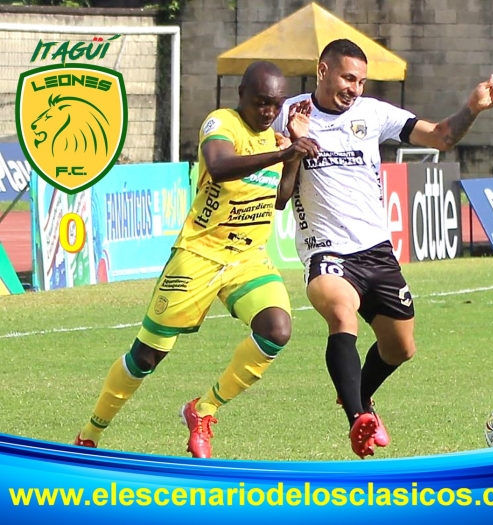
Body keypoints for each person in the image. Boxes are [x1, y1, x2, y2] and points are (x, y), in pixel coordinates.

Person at [274, 39, 493, 459]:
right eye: (348, 78)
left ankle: (360, 395)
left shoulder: (374, 113)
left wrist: (473, 107)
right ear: (322, 70)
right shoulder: (289, 113)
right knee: (342, 314)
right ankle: (357, 418)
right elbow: (278, 193)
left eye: (361, 81)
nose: (354, 89)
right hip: (325, 251)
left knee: (401, 348)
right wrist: (293, 148)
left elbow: (441, 137)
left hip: (376, 251)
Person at [74, 61, 319, 459]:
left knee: (276, 331)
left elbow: (279, 200)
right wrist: (282, 151)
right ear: (241, 95)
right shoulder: (221, 123)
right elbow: (219, 167)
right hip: (199, 254)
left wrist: (292, 152)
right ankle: (89, 435)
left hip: (247, 258)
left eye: (276, 104)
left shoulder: (275, 139)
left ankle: (203, 409)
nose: (269, 111)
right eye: (262, 102)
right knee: (146, 357)